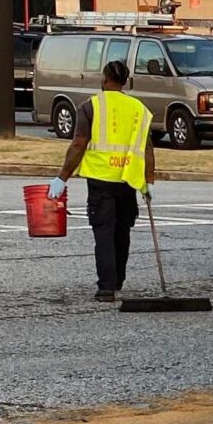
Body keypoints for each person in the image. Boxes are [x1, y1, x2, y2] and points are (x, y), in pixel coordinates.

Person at [57, 58, 157, 301]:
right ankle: (118, 279)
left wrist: (62, 178)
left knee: (103, 232)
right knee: (122, 232)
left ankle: (106, 287)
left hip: (101, 179)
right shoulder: (139, 109)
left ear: (104, 79)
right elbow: (148, 149)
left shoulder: (90, 107)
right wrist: (149, 182)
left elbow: (79, 143)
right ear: (126, 81)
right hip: (128, 179)